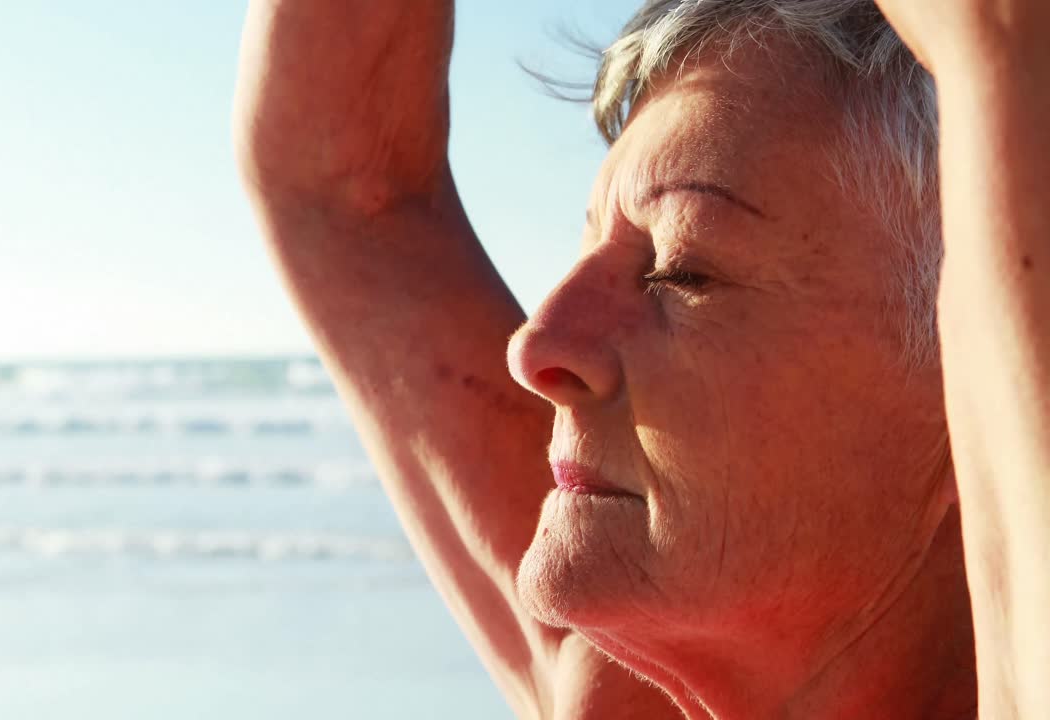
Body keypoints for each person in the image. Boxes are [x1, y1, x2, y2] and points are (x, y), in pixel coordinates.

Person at [233, 0, 1050, 717]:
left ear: (976, 383)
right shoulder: (620, 693)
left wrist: (997, 60)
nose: (537, 347)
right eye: (587, 247)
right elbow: (347, 186)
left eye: (681, 270)